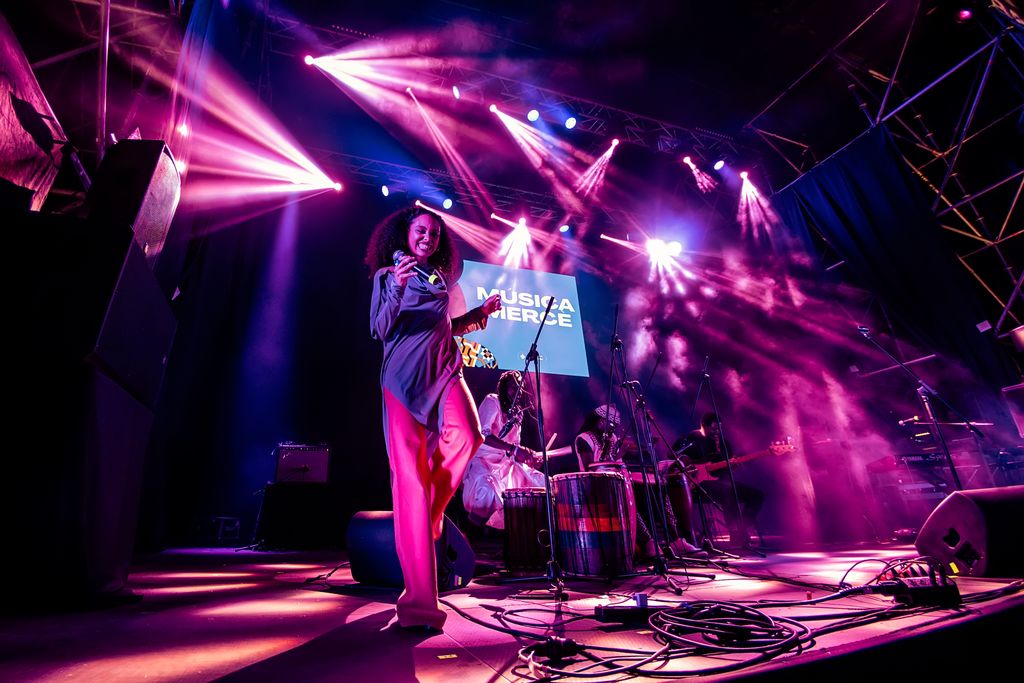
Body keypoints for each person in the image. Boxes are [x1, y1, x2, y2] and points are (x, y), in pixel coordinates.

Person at [367, 206, 502, 631]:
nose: (428, 237)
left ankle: (426, 518)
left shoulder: (438, 279)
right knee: (410, 480)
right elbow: (380, 328)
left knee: (468, 435)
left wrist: (480, 315)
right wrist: (397, 287)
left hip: (445, 371)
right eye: (421, 231)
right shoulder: (388, 277)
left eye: (434, 233)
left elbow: (442, 326)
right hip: (403, 381)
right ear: (404, 234)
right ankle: (419, 607)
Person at [575, 406, 705, 558]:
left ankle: (676, 541)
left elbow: (627, 456)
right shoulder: (583, 438)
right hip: (599, 486)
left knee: (659, 489)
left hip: (621, 480)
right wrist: (619, 455)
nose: (614, 429)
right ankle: (649, 542)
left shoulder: (612, 438)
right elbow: (590, 468)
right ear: (601, 422)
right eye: (611, 425)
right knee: (628, 497)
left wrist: (646, 448)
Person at [461, 370, 545, 529]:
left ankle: (519, 539)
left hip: (505, 465)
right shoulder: (493, 401)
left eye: (520, 387)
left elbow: (514, 447)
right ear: (504, 388)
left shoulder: (518, 413)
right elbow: (483, 435)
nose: (518, 391)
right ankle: (467, 535)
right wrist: (514, 450)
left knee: (539, 482)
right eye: (513, 387)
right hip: (483, 461)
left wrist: (529, 458)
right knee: (487, 493)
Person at [675, 411, 765, 547]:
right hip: (698, 486)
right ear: (703, 426)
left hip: (720, 484)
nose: (717, 432)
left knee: (757, 495)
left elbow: (724, 470)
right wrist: (689, 468)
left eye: (720, 428)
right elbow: (673, 456)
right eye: (714, 428)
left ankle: (742, 528)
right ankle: (735, 534)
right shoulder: (691, 438)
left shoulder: (723, 443)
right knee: (728, 490)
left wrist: (732, 466)